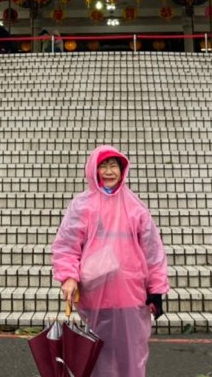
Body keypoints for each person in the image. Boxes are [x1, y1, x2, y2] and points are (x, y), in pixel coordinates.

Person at [52, 146, 169, 377]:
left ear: (122, 170)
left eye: (113, 166)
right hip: (97, 297)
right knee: (97, 355)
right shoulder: (82, 205)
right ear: (93, 170)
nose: (108, 171)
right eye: (103, 166)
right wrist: (68, 277)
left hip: (131, 296)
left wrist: (156, 289)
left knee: (131, 354)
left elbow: (153, 250)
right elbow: (67, 245)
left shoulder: (135, 207)